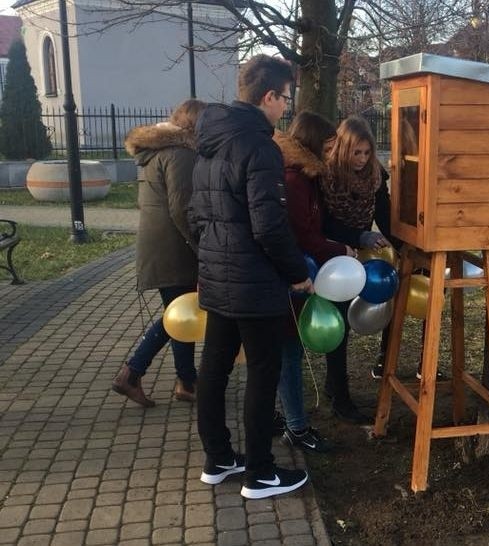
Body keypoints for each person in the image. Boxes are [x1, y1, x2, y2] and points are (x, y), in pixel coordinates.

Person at [189, 54, 312, 499]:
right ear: (268, 96)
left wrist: (208, 265)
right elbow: (269, 225)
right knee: (264, 370)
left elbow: (195, 217)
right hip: (254, 282)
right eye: (285, 100)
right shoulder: (260, 146)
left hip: (219, 278)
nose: (287, 109)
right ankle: (260, 472)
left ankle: (218, 458)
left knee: (215, 368)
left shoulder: (210, 142)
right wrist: (297, 274)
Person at [111, 98, 206, 408]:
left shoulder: (158, 151)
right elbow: (182, 208)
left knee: (180, 313)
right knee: (175, 316)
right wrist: (201, 247)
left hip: (161, 247)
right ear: (195, 126)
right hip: (174, 249)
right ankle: (133, 372)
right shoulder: (181, 153)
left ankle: (186, 381)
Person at [274, 111, 359, 452]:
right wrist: (342, 249)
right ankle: (295, 427)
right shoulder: (294, 182)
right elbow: (304, 235)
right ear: (310, 144)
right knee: (288, 353)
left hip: (295, 272)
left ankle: (284, 418)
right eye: (327, 146)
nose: (330, 154)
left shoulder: (305, 178)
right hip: (291, 276)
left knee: (285, 352)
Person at [320, 116, 392, 424]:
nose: (362, 160)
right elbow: (323, 222)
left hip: (359, 253)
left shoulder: (376, 175)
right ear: (343, 149)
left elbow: (386, 216)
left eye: (367, 153)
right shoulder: (325, 177)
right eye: (356, 153)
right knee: (338, 325)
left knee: (347, 321)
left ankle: (333, 386)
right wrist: (357, 237)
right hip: (332, 252)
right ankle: (340, 397)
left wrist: (400, 246)